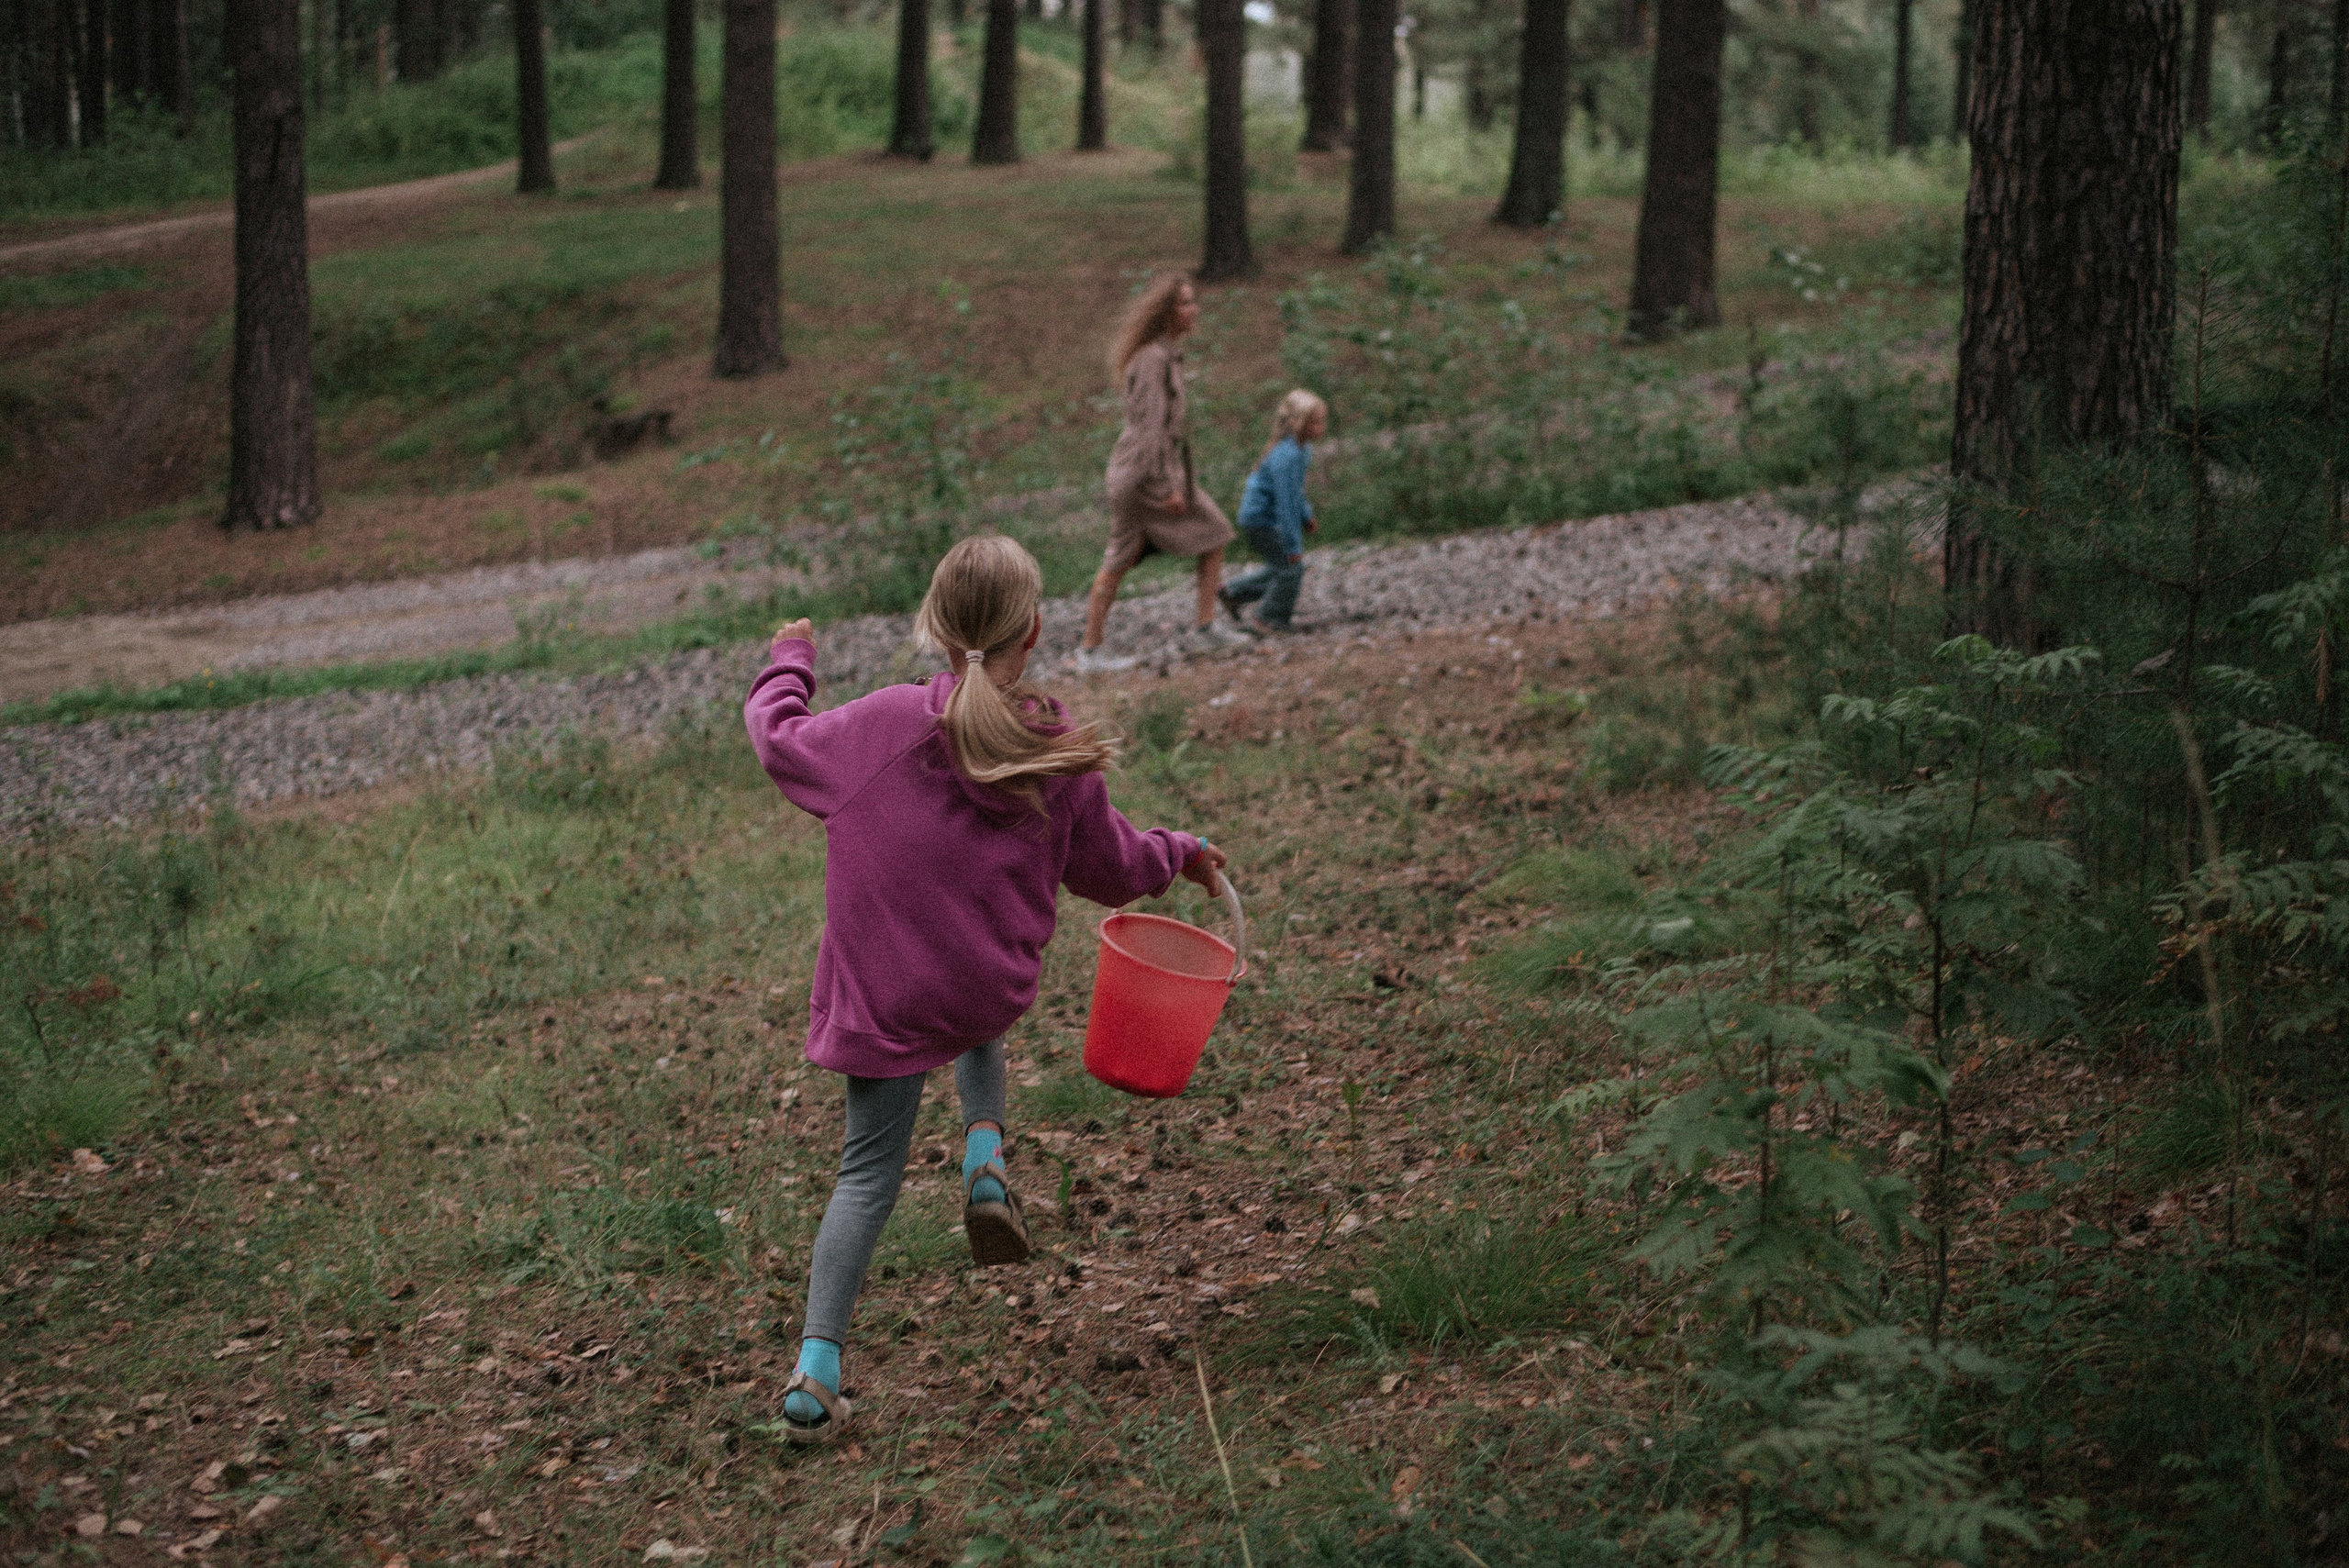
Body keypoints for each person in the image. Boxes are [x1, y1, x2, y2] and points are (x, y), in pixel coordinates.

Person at [743, 535, 1230, 1443]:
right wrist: (1182, 849)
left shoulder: (879, 725)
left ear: (933, 626)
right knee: (970, 999)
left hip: (889, 1001)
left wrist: (789, 661)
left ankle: (815, 1370)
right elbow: (1116, 865)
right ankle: (983, 1157)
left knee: (864, 1175)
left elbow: (776, 738)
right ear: (1036, 629)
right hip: (979, 989)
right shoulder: (1055, 749)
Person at [1079, 273, 1250, 673]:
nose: (1195, 310)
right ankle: (1089, 652)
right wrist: (1162, 488)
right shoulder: (1153, 360)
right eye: (1187, 303)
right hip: (1142, 478)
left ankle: (1206, 629)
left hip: (1155, 472)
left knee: (1215, 532)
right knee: (1120, 558)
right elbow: (1148, 430)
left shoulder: (1163, 354)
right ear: (1168, 312)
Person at [1219, 389, 1327, 634]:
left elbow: (1296, 492)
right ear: (1299, 423)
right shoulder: (1286, 456)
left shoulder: (1302, 450)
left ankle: (1232, 592)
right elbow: (1285, 503)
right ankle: (1269, 618)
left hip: (1262, 518)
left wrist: (1306, 515)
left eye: (1322, 421)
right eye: (1316, 422)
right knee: (1290, 568)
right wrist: (1292, 547)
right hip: (1260, 520)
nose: (1322, 427)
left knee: (1279, 567)